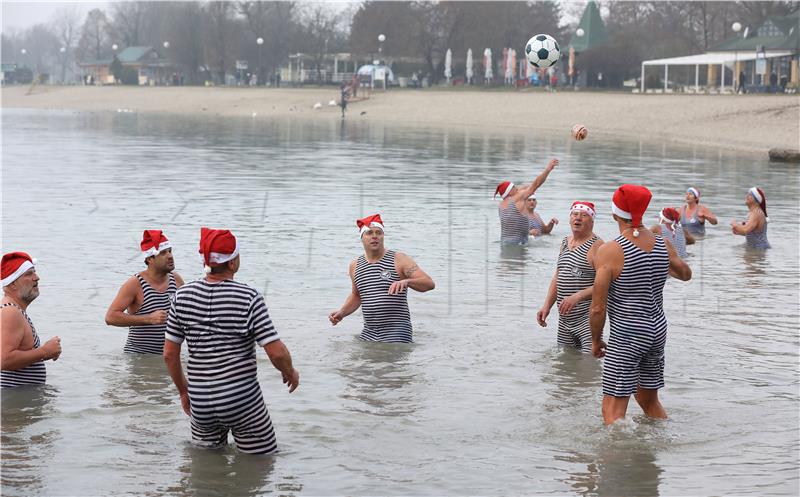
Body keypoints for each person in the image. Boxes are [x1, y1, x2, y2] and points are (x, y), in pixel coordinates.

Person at [164, 228, 299, 454]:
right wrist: (290, 371)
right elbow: (276, 352)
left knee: (205, 470)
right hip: (242, 401)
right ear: (232, 263)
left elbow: (169, 354)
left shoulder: (182, 296)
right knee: (261, 463)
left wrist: (184, 391)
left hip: (201, 400)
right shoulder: (248, 297)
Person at [590, 185, 692, 425]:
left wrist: (595, 340)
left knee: (612, 412)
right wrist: (658, 262)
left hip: (628, 334)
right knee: (649, 401)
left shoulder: (610, 250)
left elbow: (597, 307)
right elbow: (686, 274)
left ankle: (617, 459)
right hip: (657, 331)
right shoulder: (662, 244)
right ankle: (661, 443)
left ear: (615, 214)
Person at [329, 214, 435, 343]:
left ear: (383, 237)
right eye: (369, 233)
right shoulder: (355, 265)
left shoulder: (399, 259)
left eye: (378, 232)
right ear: (362, 238)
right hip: (368, 333)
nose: (374, 236)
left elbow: (429, 283)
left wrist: (407, 281)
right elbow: (357, 295)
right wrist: (342, 313)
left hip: (397, 333)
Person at [537, 201, 604, 352]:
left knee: (589, 366)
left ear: (592, 220)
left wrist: (578, 296)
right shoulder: (565, 242)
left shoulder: (598, 246)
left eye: (584, 215)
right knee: (564, 368)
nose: (578, 218)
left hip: (586, 321)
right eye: (575, 214)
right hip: (565, 322)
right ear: (569, 218)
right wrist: (547, 306)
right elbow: (557, 277)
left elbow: (606, 285)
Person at [105, 230, 184, 354]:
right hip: (140, 357)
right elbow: (111, 317)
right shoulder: (135, 283)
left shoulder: (176, 280)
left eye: (170, 251)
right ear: (149, 259)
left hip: (169, 356)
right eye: (163, 253)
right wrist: (148, 319)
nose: (170, 256)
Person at [1, 252, 62, 388]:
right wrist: (44, 351)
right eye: (29, 274)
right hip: (14, 402)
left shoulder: (14, 310)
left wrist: (44, 353)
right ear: (13, 284)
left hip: (18, 401)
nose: (37, 278)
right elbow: (4, 360)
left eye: (34, 272)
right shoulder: (10, 311)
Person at [495, 158, 558, 245]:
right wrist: (548, 169)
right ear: (509, 191)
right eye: (514, 187)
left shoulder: (501, 205)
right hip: (518, 246)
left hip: (505, 244)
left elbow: (522, 188)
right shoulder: (517, 198)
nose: (517, 188)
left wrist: (527, 187)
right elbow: (536, 184)